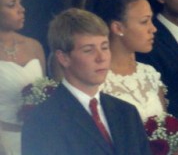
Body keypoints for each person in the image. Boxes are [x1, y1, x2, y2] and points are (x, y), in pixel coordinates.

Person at [21, 8, 150, 154]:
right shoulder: (43, 120)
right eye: (88, 50)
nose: (101, 58)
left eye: (105, 47)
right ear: (64, 58)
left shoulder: (126, 112)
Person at [89, 0, 165, 120]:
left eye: (151, 20)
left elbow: (167, 129)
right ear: (118, 28)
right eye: (144, 22)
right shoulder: (96, 80)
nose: (153, 29)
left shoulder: (149, 74)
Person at [0, 0, 44, 155]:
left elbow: (46, 90)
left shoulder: (34, 46)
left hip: (39, 136)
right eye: (12, 5)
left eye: (20, 3)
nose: (22, 10)